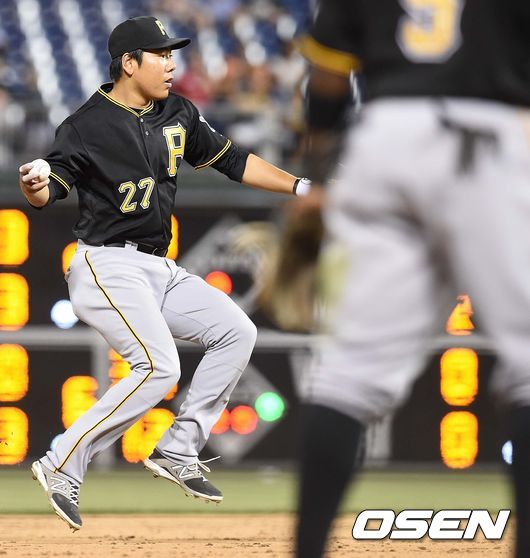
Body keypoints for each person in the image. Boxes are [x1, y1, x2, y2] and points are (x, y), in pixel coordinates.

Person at [19, 15, 311, 532]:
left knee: (236, 331)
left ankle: (179, 449)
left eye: (172, 53)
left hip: (159, 265)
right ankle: (62, 463)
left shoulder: (178, 111)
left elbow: (234, 161)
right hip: (106, 263)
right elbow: (49, 191)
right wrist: (35, 184)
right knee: (159, 367)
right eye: (160, 54)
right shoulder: (86, 125)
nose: (172, 64)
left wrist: (300, 187)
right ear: (129, 64)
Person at [294, 1, 530, 557]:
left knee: (349, 373)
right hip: (490, 132)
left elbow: (326, 78)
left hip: (382, 139)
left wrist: (319, 170)